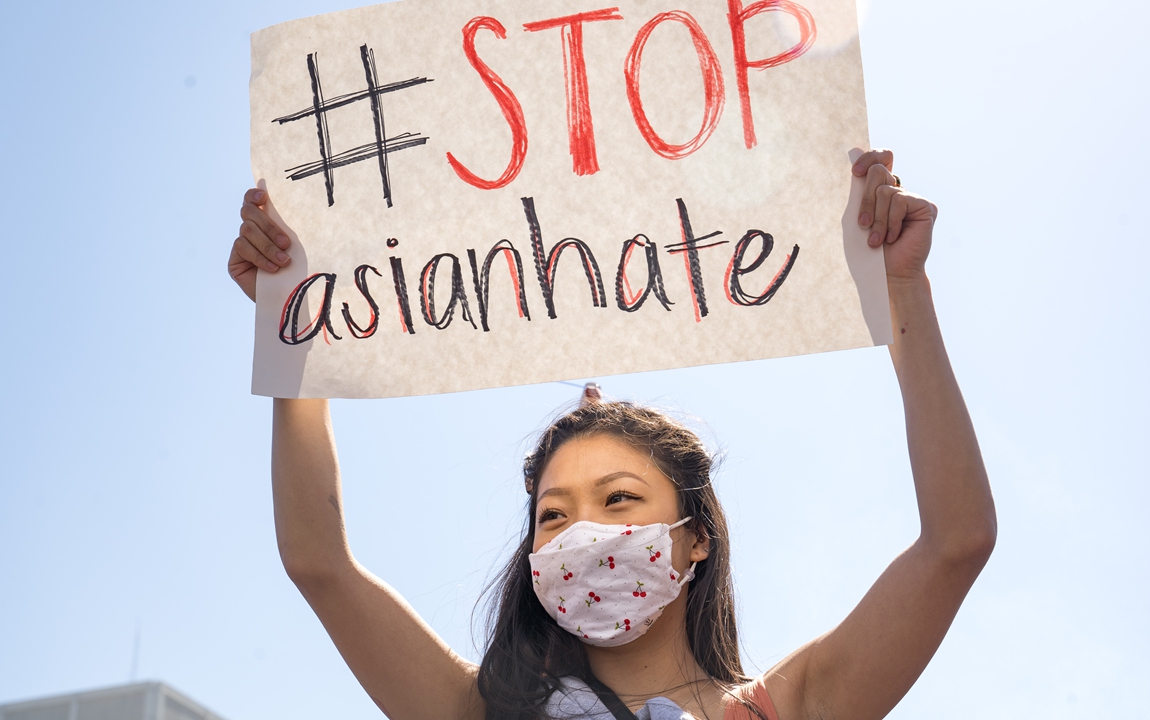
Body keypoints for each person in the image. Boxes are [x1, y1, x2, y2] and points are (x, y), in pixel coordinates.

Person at [226, 149, 997, 720]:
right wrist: (293, 331)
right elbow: (319, 562)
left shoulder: (786, 710)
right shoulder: (478, 711)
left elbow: (956, 544)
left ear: (696, 538)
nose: (582, 533)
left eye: (618, 498)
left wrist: (902, 290)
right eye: (553, 514)